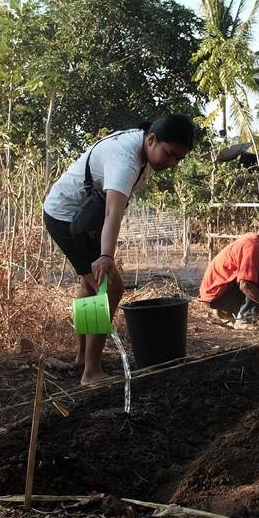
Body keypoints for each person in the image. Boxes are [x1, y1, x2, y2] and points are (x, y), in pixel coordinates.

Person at [43, 114, 195, 384]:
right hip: (66, 218)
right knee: (110, 286)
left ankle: (82, 359)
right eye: (169, 154)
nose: (172, 164)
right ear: (151, 139)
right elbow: (114, 211)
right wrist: (105, 256)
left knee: (89, 285)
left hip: (82, 218)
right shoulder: (125, 159)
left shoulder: (142, 149)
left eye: (178, 159)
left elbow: (113, 210)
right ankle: (92, 372)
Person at [199, 210, 259, 327]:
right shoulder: (252, 246)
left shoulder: (255, 242)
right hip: (216, 295)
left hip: (217, 292)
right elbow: (245, 285)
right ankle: (245, 320)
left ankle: (224, 312)